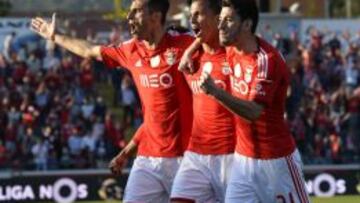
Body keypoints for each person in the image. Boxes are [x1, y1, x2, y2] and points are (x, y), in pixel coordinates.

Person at [31, 0, 194, 202]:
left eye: (136, 11)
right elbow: (89, 50)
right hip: (148, 159)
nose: (129, 17)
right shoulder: (130, 49)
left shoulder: (187, 44)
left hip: (186, 158)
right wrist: (55, 36)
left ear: (155, 16)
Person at [196, 0, 310, 202]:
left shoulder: (267, 61)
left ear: (247, 25)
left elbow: (254, 112)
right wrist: (190, 52)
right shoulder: (231, 49)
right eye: (220, 20)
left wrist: (215, 91)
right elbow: (204, 35)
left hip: (277, 162)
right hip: (243, 162)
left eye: (228, 20)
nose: (220, 26)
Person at [170, 0, 235, 203]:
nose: (192, 19)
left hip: (231, 155)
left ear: (218, 19)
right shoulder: (190, 57)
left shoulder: (234, 54)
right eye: (191, 14)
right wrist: (191, 50)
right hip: (196, 154)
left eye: (198, 14)